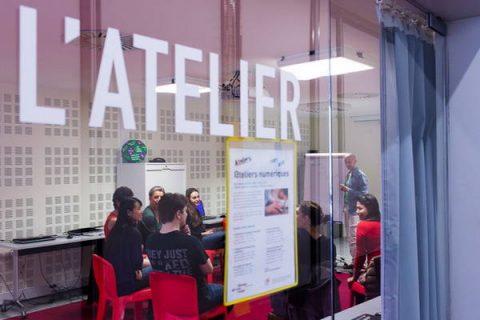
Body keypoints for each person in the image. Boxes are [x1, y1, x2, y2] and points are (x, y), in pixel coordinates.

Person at [145, 193, 224, 314]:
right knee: (230, 293)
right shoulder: (190, 242)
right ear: (178, 214)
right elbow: (208, 269)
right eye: (185, 211)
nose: (187, 215)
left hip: (165, 299)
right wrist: (189, 238)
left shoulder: (150, 240)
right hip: (196, 299)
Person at [287, 201, 340, 319]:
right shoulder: (329, 244)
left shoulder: (298, 243)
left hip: (303, 302)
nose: (294, 217)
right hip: (322, 304)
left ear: (306, 218)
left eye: (297, 213)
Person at [104, 197, 150, 296]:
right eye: (138, 209)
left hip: (112, 282)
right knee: (157, 269)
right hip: (126, 284)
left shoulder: (115, 229)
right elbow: (137, 263)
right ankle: (153, 309)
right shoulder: (133, 233)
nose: (141, 212)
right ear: (129, 212)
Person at [348, 193, 381, 293]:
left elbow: (360, 255)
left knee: (352, 282)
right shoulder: (384, 222)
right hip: (388, 270)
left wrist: (354, 276)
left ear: (370, 209)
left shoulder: (363, 225)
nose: (357, 212)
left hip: (374, 272)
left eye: (360, 208)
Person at [339, 153, 368, 259]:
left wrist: (348, 190)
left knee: (354, 237)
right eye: (346, 162)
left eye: (349, 161)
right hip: (348, 209)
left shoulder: (360, 175)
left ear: (355, 161)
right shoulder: (349, 174)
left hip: (355, 211)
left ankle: (359, 263)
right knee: (350, 237)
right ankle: (354, 261)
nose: (347, 164)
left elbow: (364, 194)